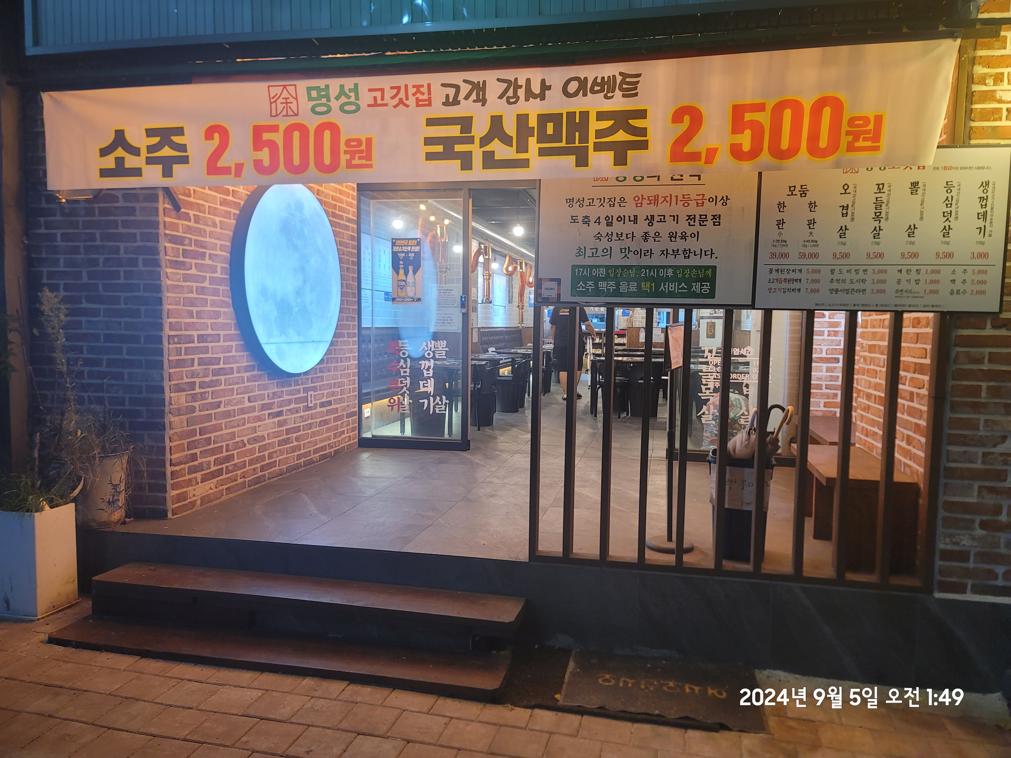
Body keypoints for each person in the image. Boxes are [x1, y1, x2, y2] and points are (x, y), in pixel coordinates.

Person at [549, 304, 597, 401]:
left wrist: (554, 341)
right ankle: (573, 391)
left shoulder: (557, 308)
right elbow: (587, 324)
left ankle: (566, 393)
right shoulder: (578, 307)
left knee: (563, 368)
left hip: (560, 342)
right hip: (576, 342)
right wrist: (594, 334)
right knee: (577, 366)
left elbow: (553, 327)